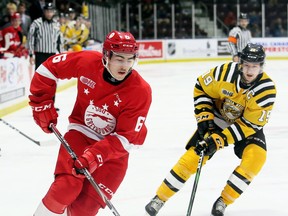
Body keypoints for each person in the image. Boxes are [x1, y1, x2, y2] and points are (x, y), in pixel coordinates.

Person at [29, 30, 152, 216]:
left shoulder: (140, 91)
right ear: (106, 56)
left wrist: (94, 157)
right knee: (65, 188)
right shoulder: (87, 62)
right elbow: (47, 68)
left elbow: (124, 139)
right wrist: (40, 102)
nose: (125, 66)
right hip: (80, 132)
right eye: (119, 58)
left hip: (114, 152)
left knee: (84, 209)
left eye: (129, 59)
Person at [145, 43, 276, 216]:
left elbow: (250, 125)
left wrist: (219, 140)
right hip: (219, 117)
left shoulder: (266, 90)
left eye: (255, 66)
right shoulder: (224, 73)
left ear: (261, 67)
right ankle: (160, 198)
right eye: (247, 65)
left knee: (256, 158)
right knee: (194, 156)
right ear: (240, 64)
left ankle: (224, 200)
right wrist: (205, 118)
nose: (250, 71)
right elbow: (201, 87)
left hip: (245, 126)